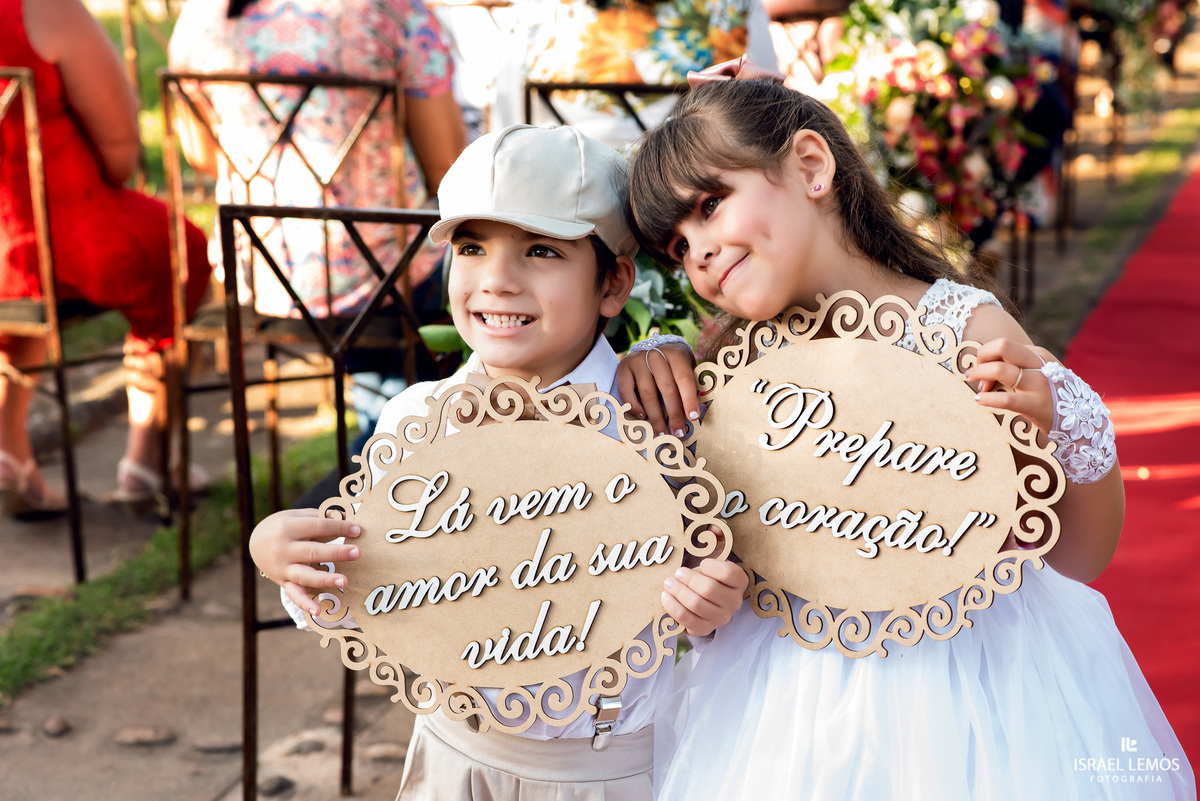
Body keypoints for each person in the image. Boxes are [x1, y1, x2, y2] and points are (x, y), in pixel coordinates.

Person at [619, 77, 1195, 799]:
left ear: (810, 166)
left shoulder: (959, 331)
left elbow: (1080, 554)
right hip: (787, 709)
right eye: (677, 244)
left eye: (710, 205)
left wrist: (1060, 418)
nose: (699, 250)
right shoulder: (724, 378)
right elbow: (718, 560)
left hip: (968, 691)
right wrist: (704, 599)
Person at [248, 123, 748, 799]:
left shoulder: (656, 421)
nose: (497, 280)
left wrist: (714, 601)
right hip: (453, 757)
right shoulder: (416, 422)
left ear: (613, 283)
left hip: (603, 772)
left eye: (540, 249)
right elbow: (376, 586)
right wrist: (290, 558)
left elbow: (715, 589)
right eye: (471, 246)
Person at [168, 0, 467, 436]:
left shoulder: (201, 16)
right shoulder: (394, 12)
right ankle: (409, 445)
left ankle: (387, 433)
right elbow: (448, 167)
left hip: (260, 271)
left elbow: (201, 154)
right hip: (383, 278)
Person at [0, 0, 213, 518]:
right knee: (178, 249)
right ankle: (147, 458)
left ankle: (8, 450)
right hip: (58, 237)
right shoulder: (42, 9)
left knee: (22, 288)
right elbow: (120, 152)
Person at [434, 0, 778, 151]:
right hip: (687, 225)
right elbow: (768, 112)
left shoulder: (536, 14)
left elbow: (506, 134)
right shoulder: (731, 7)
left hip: (570, 227)